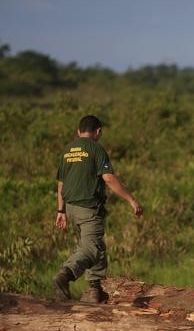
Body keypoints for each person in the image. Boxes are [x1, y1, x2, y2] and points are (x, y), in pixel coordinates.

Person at [52, 115, 142, 302]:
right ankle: (65, 274)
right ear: (98, 132)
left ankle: (95, 290)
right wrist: (131, 200)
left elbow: (61, 183)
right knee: (91, 249)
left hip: (70, 208)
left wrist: (61, 210)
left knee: (97, 246)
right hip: (88, 208)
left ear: (78, 131)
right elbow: (108, 178)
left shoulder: (67, 150)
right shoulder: (96, 149)